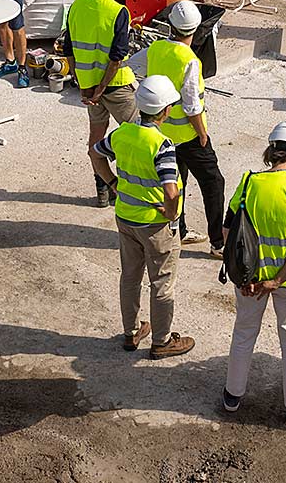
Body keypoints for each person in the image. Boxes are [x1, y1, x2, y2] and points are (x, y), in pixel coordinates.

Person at [221, 121, 286, 425]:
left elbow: (228, 231)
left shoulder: (249, 183)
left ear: (270, 151)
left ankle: (232, 396)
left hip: (249, 280)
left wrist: (246, 277)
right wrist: (276, 280)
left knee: (243, 333)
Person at [90, 75, 195, 359]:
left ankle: (131, 331)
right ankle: (161, 341)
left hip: (125, 217)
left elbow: (95, 153)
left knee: (130, 277)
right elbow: (171, 191)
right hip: (155, 225)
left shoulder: (122, 133)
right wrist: (172, 214)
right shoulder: (162, 145)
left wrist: (112, 184)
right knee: (161, 282)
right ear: (164, 111)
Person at [148, 0, 226, 257]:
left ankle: (177, 230)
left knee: (176, 181)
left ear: (171, 25)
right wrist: (202, 133)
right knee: (213, 182)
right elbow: (192, 106)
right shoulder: (190, 60)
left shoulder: (156, 49)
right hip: (189, 137)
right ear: (195, 30)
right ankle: (217, 243)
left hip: (163, 133)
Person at [62, 0, 138, 207]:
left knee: (95, 143)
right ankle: (127, 189)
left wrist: (82, 86)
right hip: (114, 87)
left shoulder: (76, 7)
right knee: (139, 133)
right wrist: (102, 88)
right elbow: (116, 58)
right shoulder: (119, 12)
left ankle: (105, 191)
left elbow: (69, 49)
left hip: (89, 90)